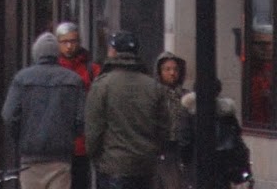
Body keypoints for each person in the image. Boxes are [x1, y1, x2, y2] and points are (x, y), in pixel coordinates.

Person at [2, 31, 85, 189]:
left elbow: (9, 115)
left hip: (30, 157)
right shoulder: (73, 80)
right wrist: (69, 136)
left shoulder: (22, 79)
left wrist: (21, 137)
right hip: (61, 157)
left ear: (36, 53)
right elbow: (81, 119)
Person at [85, 31, 166, 189]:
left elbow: (94, 130)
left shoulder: (102, 85)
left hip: (113, 167)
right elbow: (163, 128)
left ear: (113, 51)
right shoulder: (153, 86)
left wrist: (95, 157)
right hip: (145, 166)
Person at [57, 24, 99, 189]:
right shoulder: (53, 69)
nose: (69, 46)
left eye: (73, 41)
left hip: (82, 144)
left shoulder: (91, 69)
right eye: (64, 41)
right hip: (58, 144)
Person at [153, 54, 191, 189]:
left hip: (181, 148)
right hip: (160, 148)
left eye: (175, 69)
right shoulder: (153, 94)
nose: (172, 73)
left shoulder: (187, 96)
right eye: (167, 69)